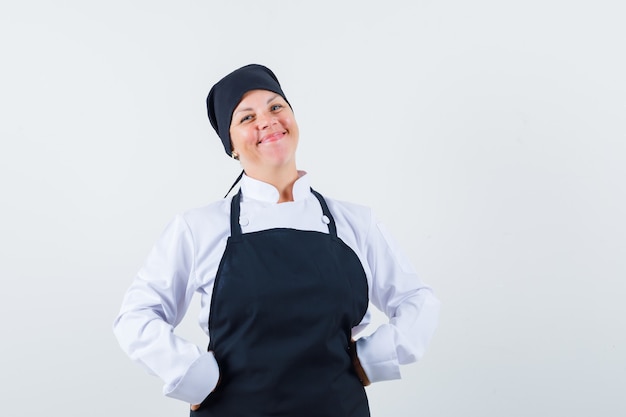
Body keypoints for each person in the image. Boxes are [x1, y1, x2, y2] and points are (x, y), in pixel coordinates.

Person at [113, 64, 440, 416]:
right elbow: (136, 317)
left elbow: (417, 300)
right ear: (232, 146)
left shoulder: (356, 223)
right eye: (246, 117)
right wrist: (190, 374)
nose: (267, 121)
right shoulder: (199, 228)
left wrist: (374, 357)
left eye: (275, 107)